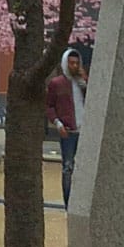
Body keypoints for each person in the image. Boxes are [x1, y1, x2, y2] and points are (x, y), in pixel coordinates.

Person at [44, 49, 86, 206]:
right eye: (71, 63)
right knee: (68, 166)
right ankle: (68, 202)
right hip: (68, 130)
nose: (74, 66)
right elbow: (49, 106)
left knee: (82, 166)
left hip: (83, 130)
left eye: (76, 63)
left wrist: (85, 85)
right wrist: (57, 123)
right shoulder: (57, 83)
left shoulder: (83, 82)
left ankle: (80, 201)